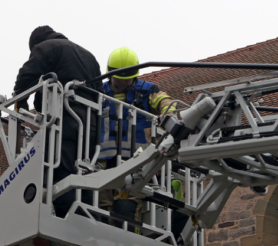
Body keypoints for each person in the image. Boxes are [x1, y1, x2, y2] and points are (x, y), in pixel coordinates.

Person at [13, 26, 102, 218]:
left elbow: (26, 76)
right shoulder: (89, 57)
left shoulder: (46, 47)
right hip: (90, 128)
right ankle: (92, 222)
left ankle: (70, 222)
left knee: (58, 175)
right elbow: (99, 94)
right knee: (84, 176)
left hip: (64, 123)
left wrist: (20, 103)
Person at [99, 47, 176, 232]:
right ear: (111, 74)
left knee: (126, 210)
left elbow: (165, 102)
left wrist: (169, 115)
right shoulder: (97, 91)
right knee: (100, 211)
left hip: (136, 164)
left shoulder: (147, 90)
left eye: (129, 79)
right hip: (102, 163)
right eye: (120, 79)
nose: (125, 83)